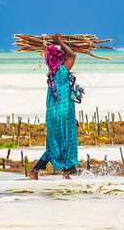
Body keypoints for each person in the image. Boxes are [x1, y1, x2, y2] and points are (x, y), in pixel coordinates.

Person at [28, 33, 81, 180]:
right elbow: (72, 56)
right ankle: (65, 172)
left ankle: (42, 171)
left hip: (55, 114)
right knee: (66, 141)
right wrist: (59, 41)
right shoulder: (60, 72)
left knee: (56, 142)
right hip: (63, 114)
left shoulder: (52, 75)